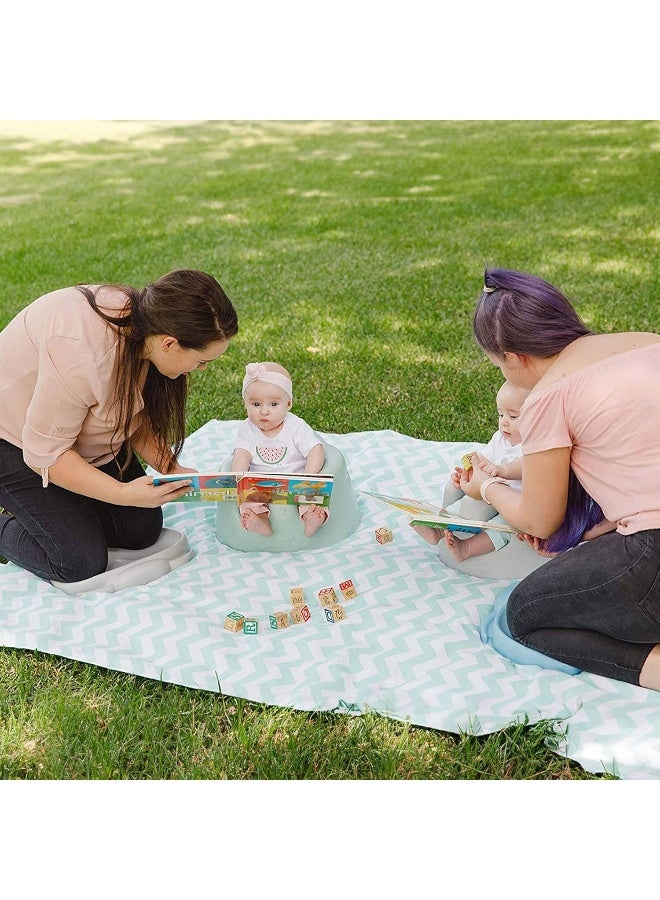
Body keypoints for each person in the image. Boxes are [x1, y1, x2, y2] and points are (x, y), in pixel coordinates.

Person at [461, 266, 660, 689]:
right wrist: (595, 531)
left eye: (498, 365)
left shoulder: (550, 395)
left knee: (525, 614)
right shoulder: (646, 343)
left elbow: (539, 520)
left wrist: (487, 486)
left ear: (513, 357)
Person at [0, 269, 238, 584]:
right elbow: (48, 454)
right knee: (79, 561)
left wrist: (172, 467)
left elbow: (131, 415)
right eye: (202, 361)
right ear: (169, 343)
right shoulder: (85, 356)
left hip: (72, 439)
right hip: (15, 441)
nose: (202, 369)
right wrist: (123, 493)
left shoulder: (147, 328)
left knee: (141, 528)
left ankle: (49, 510)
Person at [412, 380, 529, 562]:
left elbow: (528, 466)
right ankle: (437, 529)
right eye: (500, 415)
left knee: (502, 527)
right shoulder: (499, 439)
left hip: (515, 502)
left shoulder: (533, 445)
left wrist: (501, 470)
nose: (504, 422)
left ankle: (467, 548)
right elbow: (482, 460)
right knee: (462, 503)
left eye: (513, 416)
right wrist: (467, 476)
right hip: (488, 493)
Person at [232, 361, 328, 538]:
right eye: (256, 404)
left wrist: (309, 476)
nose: (264, 411)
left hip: (296, 481)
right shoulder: (247, 429)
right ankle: (261, 521)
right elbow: (241, 455)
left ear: (288, 404)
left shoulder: (295, 426)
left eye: (273, 404)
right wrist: (238, 477)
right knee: (247, 499)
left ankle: (311, 517)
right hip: (261, 485)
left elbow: (315, 450)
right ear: (245, 404)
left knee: (313, 494)